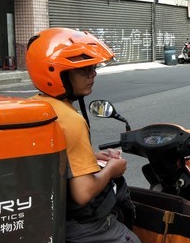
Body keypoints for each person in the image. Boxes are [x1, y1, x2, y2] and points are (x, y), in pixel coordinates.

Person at [26, 28, 139, 243]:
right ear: (56, 73)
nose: (93, 74)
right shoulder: (71, 119)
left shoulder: (35, 105)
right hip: (78, 223)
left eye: (93, 67)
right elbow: (83, 193)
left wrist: (91, 155)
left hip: (44, 214)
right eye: (84, 70)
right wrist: (112, 170)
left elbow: (51, 159)